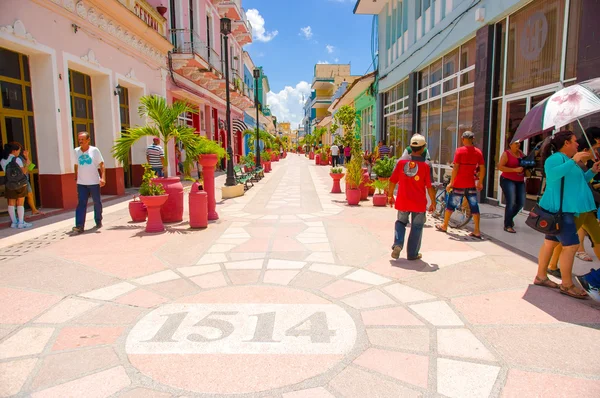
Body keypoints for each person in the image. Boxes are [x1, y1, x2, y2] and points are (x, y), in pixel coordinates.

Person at [534, 131, 600, 299]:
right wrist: (574, 160)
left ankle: (541, 276)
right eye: (574, 141)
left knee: (550, 243)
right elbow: (554, 175)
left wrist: (591, 171)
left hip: (567, 209)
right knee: (570, 247)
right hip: (562, 211)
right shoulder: (556, 158)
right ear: (566, 144)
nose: (578, 144)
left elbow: (578, 181)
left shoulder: (570, 161)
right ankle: (567, 284)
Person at [388, 134, 436, 260]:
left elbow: (392, 181)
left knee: (400, 222)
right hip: (419, 203)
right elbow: (430, 187)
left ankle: (398, 244)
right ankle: (412, 254)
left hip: (403, 200)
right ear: (423, 148)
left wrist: (390, 196)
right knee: (417, 226)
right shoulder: (426, 166)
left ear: (410, 147)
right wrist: (433, 202)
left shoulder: (401, 163)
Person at [436, 131, 486, 238]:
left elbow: (456, 168)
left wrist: (451, 183)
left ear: (463, 139)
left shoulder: (459, 151)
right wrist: (480, 182)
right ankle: (477, 230)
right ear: (472, 139)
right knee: (474, 207)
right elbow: (482, 168)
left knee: (451, 205)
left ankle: (445, 225)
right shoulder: (478, 152)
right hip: (471, 185)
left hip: (459, 185)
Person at [72, 132, 105, 234]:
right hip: (81, 183)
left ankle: (98, 220)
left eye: (82, 139)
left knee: (97, 202)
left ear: (88, 140)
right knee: (81, 203)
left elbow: (102, 164)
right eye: (79, 139)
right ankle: (79, 225)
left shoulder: (94, 150)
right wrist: (75, 175)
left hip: (94, 182)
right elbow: (76, 164)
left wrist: (103, 178)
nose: (80, 141)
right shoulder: (76, 151)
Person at [1, 143, 32, 228]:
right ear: (14, 151)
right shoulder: (17, 159)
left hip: (9, 184)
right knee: (20, 203)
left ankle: (14, 222)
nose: (19, 152)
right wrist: (27, 162)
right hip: (20, 183)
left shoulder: (3, 160)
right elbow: (24, 171)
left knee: (11, 203)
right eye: (18, 150)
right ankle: (21, 222)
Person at [499, 139, 526, 233]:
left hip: (520, 181)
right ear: (510, 144)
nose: (518, 145)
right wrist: (515, 170)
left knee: (521, 203)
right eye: (516, 143)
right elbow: (500, 167)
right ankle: (508, 225)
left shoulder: (521, 154)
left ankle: (509, 218)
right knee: (511, 202)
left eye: (519, 143)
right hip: (507, 180)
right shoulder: (506, 154)